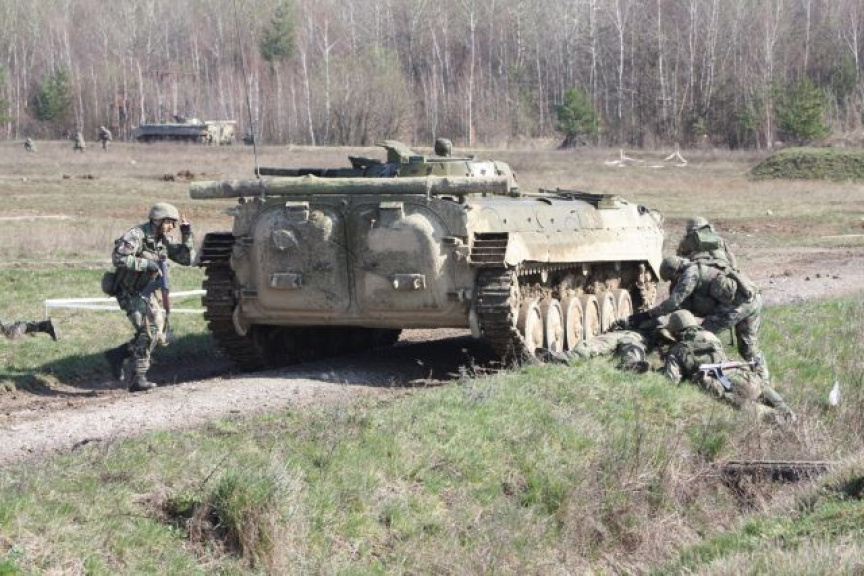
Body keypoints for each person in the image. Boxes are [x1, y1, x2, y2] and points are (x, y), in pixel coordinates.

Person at [623, 255, 770, 383]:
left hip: (739, 305)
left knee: (699, 336)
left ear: (675, 271)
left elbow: (674, 302)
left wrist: (647, 315)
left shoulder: (690, 274)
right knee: (748, 347)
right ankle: (763, 380)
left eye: (672, 279)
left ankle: (700, 370)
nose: (673, 282)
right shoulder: (694, 268)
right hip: (752, 300)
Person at [104, 203, 194, 392]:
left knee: (158, 336)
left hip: (147, 291)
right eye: (169, 222)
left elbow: (187, 259)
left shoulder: (163, 240)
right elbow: (118, 258)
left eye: (174, 224)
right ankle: (138, 378)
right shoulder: (136, 235)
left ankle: (118, 354)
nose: (172, 227)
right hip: (128, 291)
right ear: (157, 220)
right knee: (149, 331)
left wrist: (186, 234)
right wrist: (147, 264)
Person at [661, 310, 792, 419]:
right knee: (773, 399)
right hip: (741, 374)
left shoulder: (676, 350)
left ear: (675, 330)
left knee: (750, 408)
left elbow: (671, 381)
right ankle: (788, 413)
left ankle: (780, 419)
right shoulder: (710, 336)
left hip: (722, 385)